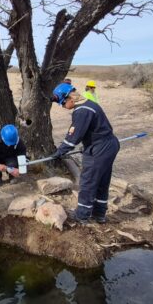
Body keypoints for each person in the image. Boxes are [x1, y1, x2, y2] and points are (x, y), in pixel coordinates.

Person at [50, 82, 120, 224]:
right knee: (102, 181)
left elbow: (73, 137)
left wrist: (59, 152)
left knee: (88, 181)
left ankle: (82, 215)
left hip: (100, 149)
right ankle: (99, 215)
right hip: (108, 145)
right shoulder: (90, 104)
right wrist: (87, 146)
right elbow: (92, 131)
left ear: (70, 98)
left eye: (63, 104)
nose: (63, 107)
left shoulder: (82, 110)